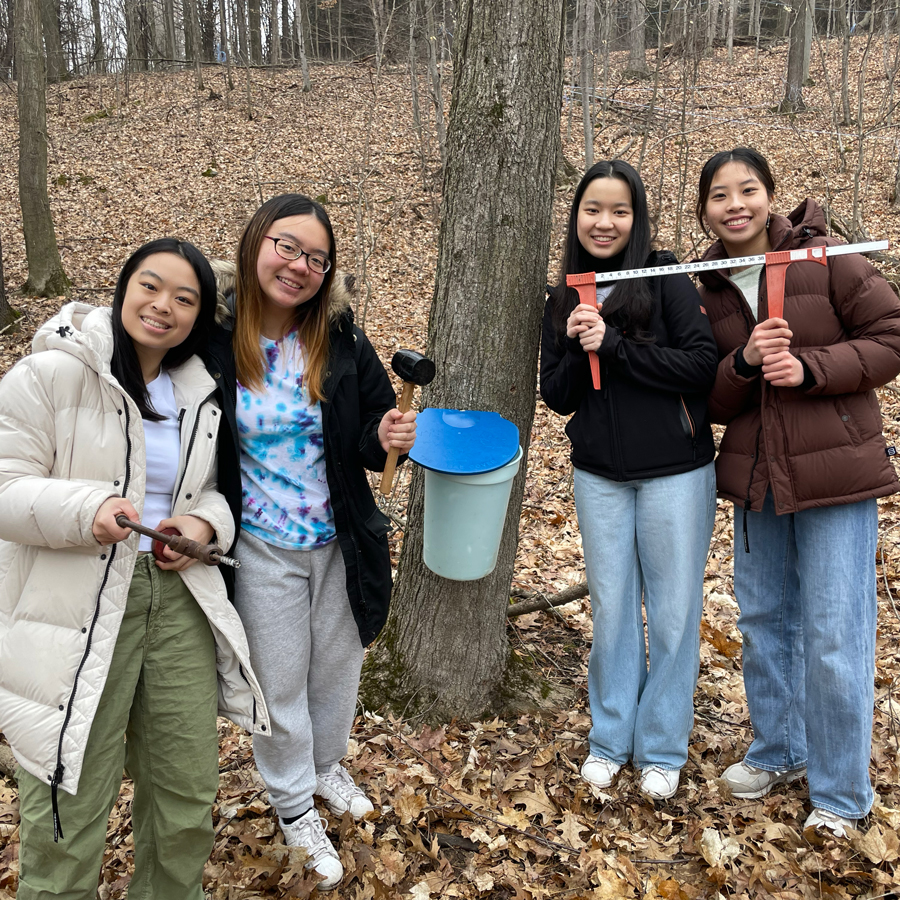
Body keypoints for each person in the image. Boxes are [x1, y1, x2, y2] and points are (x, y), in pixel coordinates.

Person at [0, 239, 270, 899]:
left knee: (185, 789)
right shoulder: (50, 374)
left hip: (175, 598)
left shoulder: (195, 391)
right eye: (151, 286)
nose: (164, 307)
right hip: (76, 602)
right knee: (70, 796)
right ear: (122, 289)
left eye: (185, 299)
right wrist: (86, 507)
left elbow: (205, 493)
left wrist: (202, 526)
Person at [204, 194, 416, 888]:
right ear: (255, 242)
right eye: (287, 247)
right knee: (279, 684)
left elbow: (372, 427)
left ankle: (325, 767)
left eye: (316, 259)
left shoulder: (342, 335)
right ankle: (294, 805)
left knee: (337, 671)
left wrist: (386, 437)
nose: (299, 266)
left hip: (340, 538)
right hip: (260, 544)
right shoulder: (212, 338)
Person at [694, 147, 900, 837]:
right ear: (704, 212)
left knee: (836, 634)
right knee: (763, 626)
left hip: (836, 476)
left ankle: (842, 795)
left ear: (770, 195)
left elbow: (892, 337)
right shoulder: (706, 287)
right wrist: (744, 363)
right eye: (719, 196)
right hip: (759, 483)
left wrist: (809, 368)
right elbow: (711, 402)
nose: (735, 205)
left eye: (747, 190)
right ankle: (780, 750)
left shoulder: (826, 257)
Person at [540, 160, 718, 801]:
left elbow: (701, 366)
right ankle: (610, 739)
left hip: (676, 472)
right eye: (593, 209)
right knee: (613, 611)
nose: (605, 222)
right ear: (577, 216)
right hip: (599, 477)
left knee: (672, 615)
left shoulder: (665, 275)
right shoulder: (564, 291)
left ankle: (663, 748)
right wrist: (572, 343)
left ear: (637, 217)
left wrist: (613, 344)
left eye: (619, 211)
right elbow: (556, 396)